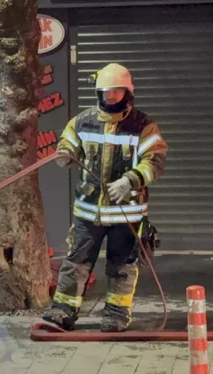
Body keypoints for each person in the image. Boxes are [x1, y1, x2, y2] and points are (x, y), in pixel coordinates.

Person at [42, 63, 168, 333]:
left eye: (115, 92)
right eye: (105, 92)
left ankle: (117, 314)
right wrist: (65, 154)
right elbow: (67, 143)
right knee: (76, 261)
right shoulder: (82, 121)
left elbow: (155, 161)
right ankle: (62, 310)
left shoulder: (143, 126)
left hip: (127, 212)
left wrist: (130, 180)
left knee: (122, 265)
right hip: (89, 211)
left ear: (127, 93)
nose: (110, 97)